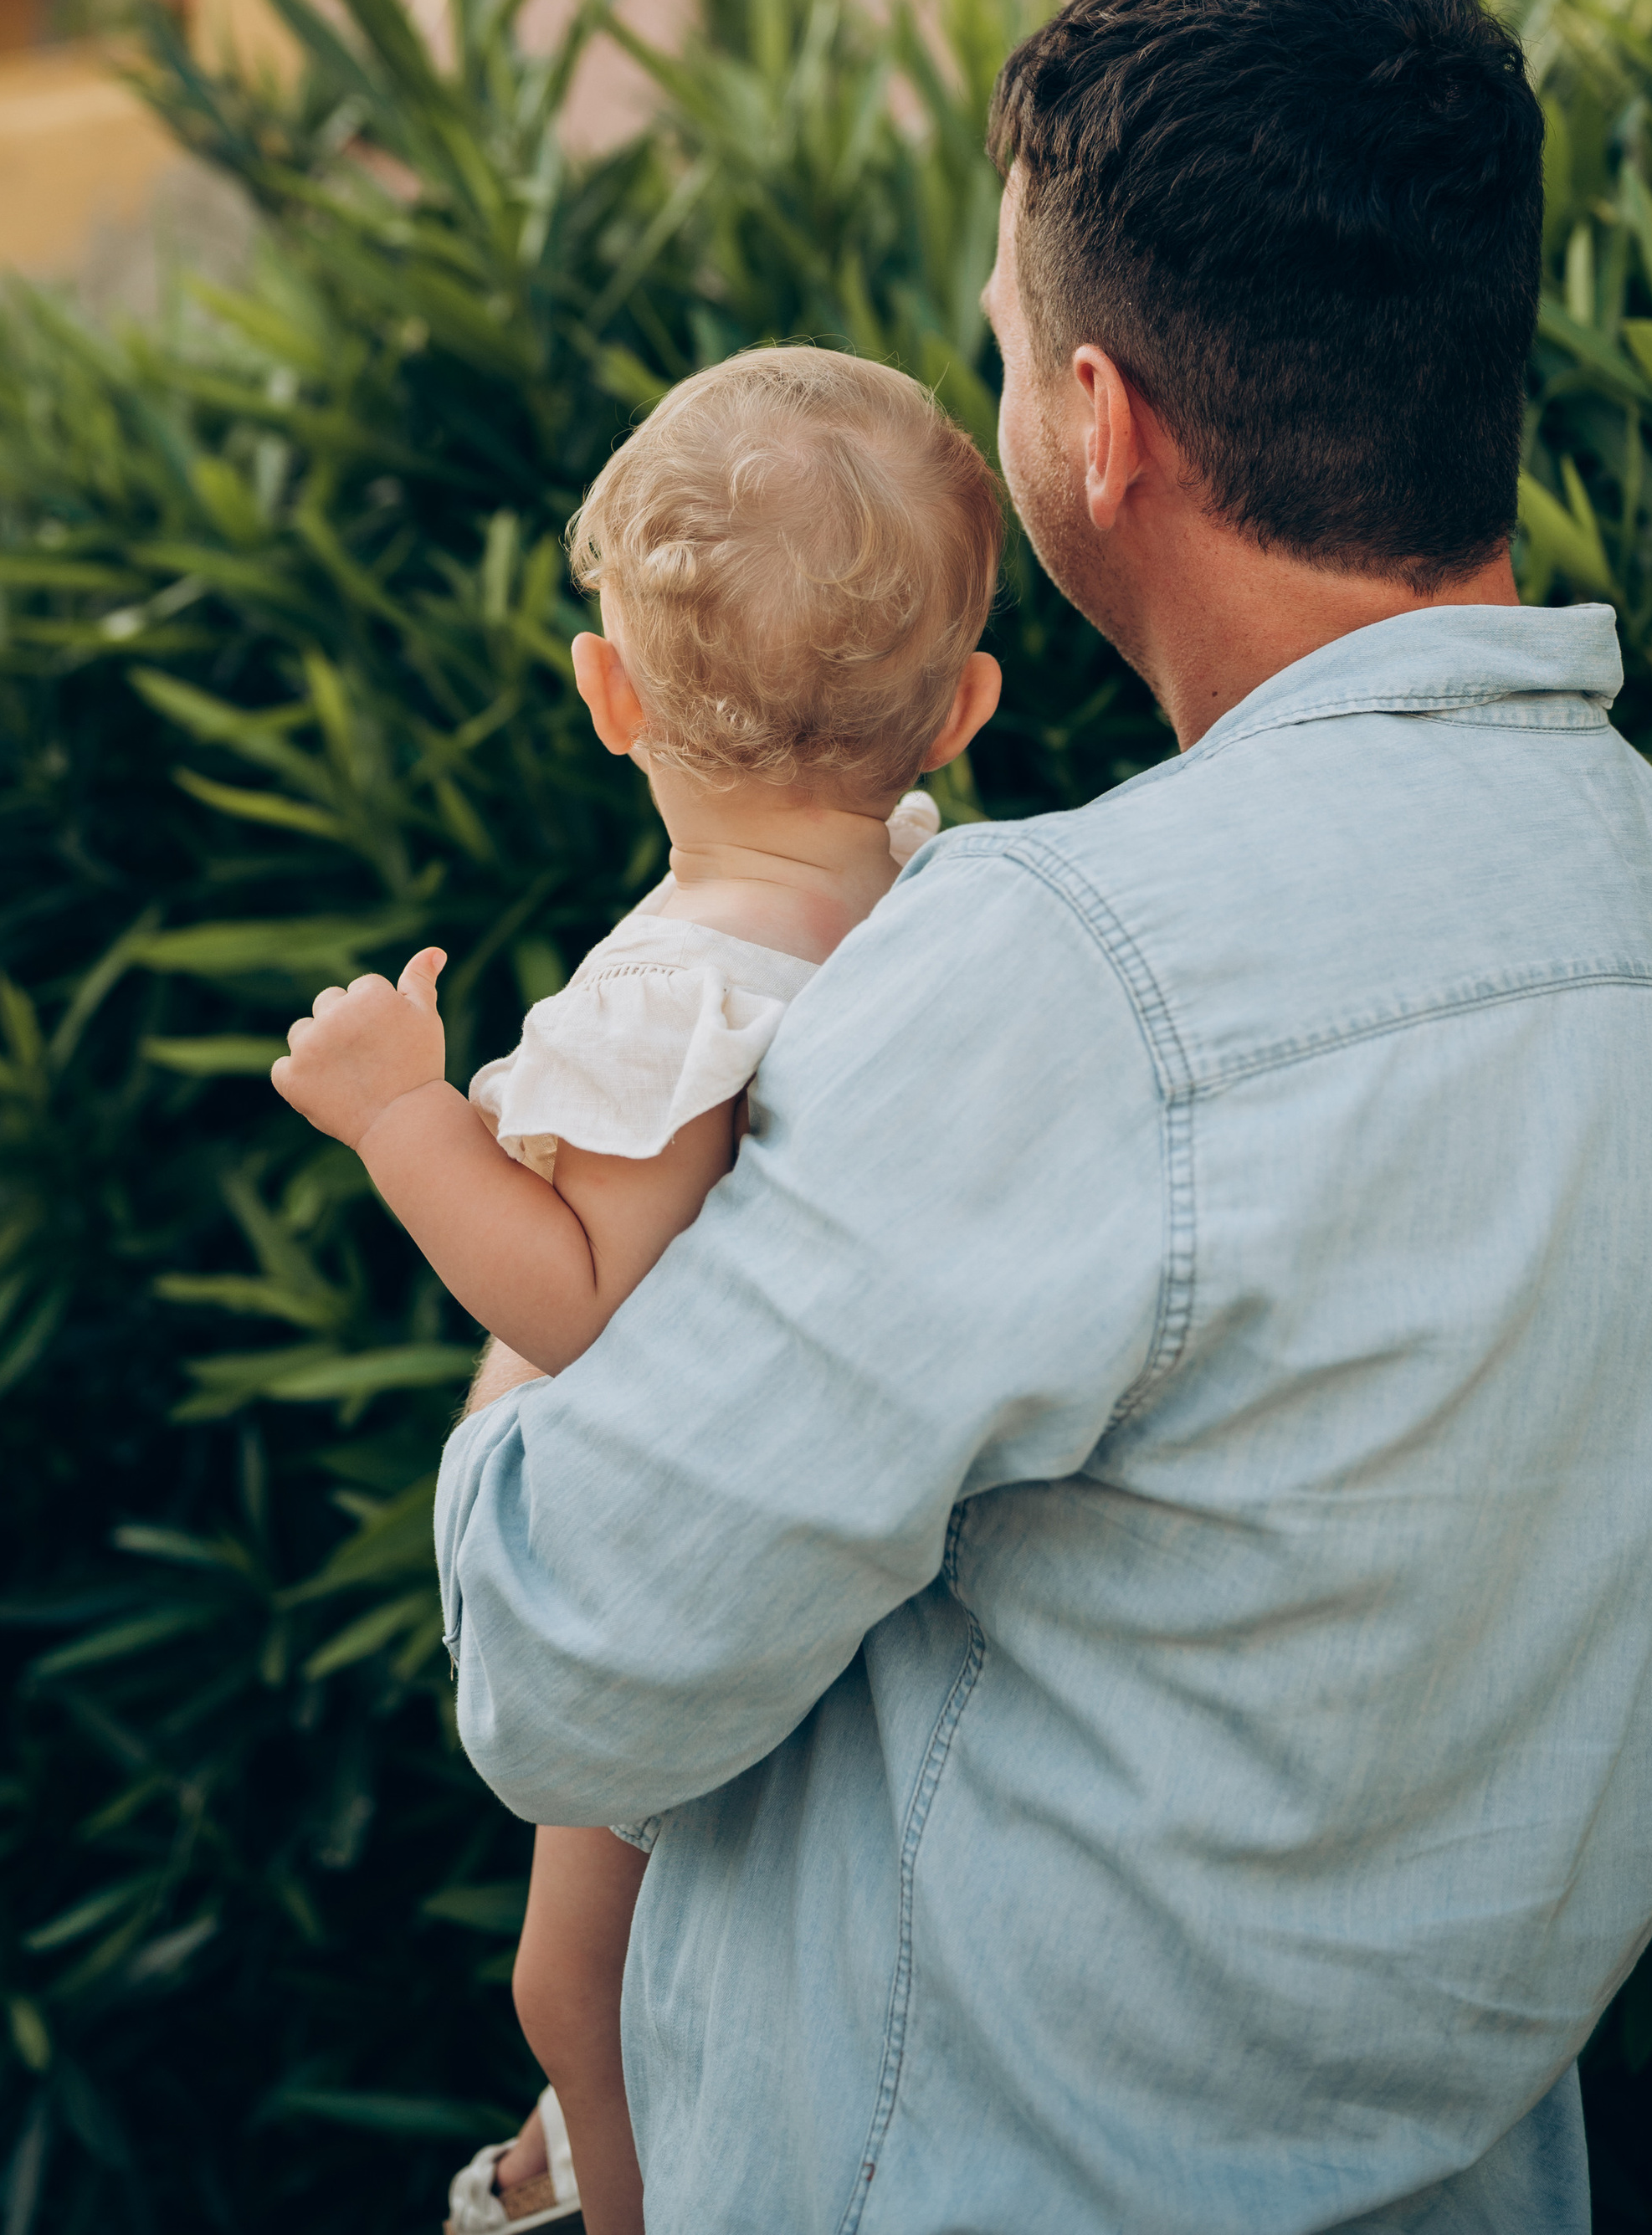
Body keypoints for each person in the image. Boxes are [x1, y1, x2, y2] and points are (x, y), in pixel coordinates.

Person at [432, 0, 1652, 2233]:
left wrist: (552, 1290)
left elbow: (572, 1658)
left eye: (1007, 351)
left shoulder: (1072, 968)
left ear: (1102, 429)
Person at [270, 347, 1004, 2235]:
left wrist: (401, 1117)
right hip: (847, 1537)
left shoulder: (670, 990)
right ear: (961, 710)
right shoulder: (937, 914)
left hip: (645, 1555)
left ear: (607, 693)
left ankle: (615, 2199)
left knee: (563, 1983)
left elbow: (572, 1292)